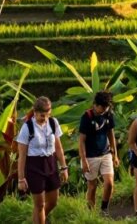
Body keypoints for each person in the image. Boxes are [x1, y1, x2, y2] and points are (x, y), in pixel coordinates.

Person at [16, 96, 68, 224]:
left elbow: (59, 148)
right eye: (41, 115)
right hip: (34, 166)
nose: (44, 118)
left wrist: (64, 167)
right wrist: (21, 179)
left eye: (46, 115)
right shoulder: (27, 128)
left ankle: (36, 220)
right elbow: (21, 156)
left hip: (51, 163)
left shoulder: (53, 123)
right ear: (34, 112)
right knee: (39, 205)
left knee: (53, 201)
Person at [79, 91, 118, 215]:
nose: (105, 110)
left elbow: (111, 134)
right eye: (103, 107)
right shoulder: (87, 117)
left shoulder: (108, 114)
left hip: (105, 153)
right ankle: (91, 213)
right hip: (90, 156)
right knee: (92, 186)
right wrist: (84, 160)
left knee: (109, 183)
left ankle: (104, 209)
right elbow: (81, 141)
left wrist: (115, 154)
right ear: (96, 105)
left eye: (107, 108)